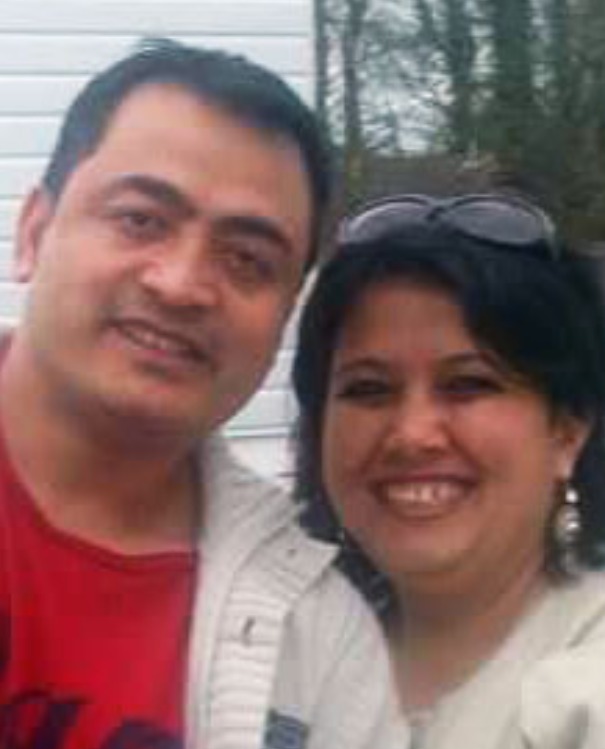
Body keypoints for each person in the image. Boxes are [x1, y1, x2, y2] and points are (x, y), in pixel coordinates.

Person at [0, 39, 407, 749]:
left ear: (283, 315)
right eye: (140, 219)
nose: (182, 284)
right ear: (34, 231)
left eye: (247, 259)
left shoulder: (321, 649)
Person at [293, 192, 605, 749]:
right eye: (368, 389)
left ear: (566, 432)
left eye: (468, 384)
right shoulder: (275, 653)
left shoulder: (586, 685)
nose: (412, 435)